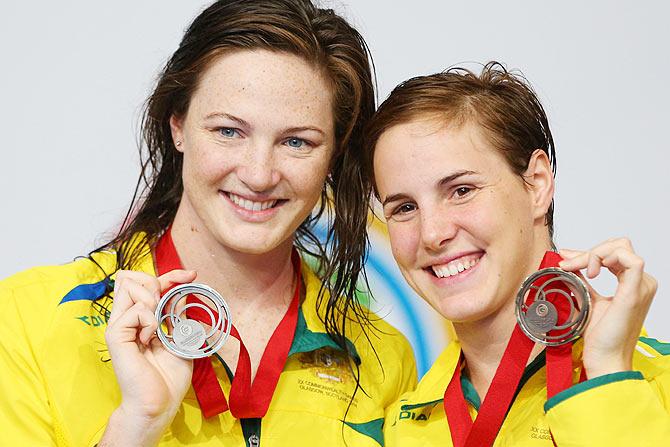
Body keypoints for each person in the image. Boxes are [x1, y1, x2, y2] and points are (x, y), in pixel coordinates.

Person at [0, 1, 417, 446]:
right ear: (177, 124)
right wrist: (136, 426)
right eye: (228, 131)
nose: (259, 174)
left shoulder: (384, 360)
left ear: (333, 155)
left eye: (297, 141)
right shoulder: (29, 320)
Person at [364, 62, 670, 446]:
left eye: (461, 190)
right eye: (404, 208)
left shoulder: (660, 382)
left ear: (536, 185)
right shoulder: (399, 429)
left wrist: (607, 375)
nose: (433, 234)